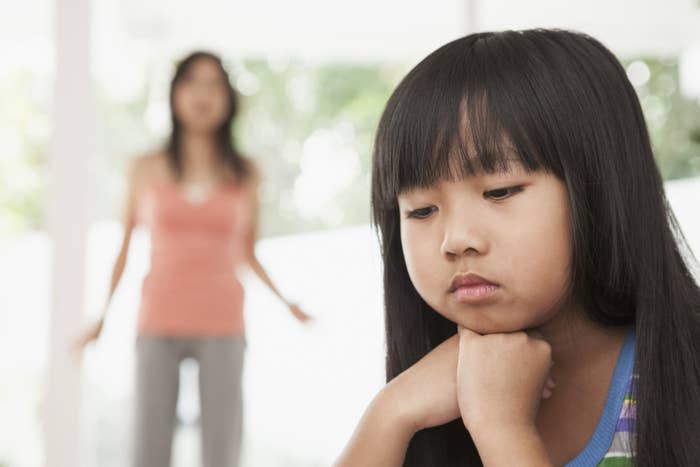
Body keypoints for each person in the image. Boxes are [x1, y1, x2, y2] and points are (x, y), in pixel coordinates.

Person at [335, 29, 700, 466]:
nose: (456, 240)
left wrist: (502, 429)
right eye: (421, 210)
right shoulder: (427, 400)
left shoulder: (684, 379)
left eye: (500, 191)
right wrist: (391, 413)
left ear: (602, 188)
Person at [76, 51, 310, 467]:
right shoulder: (145, 168)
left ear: (228, 98)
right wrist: (101, 317)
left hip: (223, 322)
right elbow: (124, 247)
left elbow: (248, 251)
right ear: (175, 94)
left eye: (214, 84)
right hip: (157, 319)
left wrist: (287, 303)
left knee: (222, 451)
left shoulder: (246, 173)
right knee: (148, 451)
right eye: (193, 82)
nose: (203, 94)